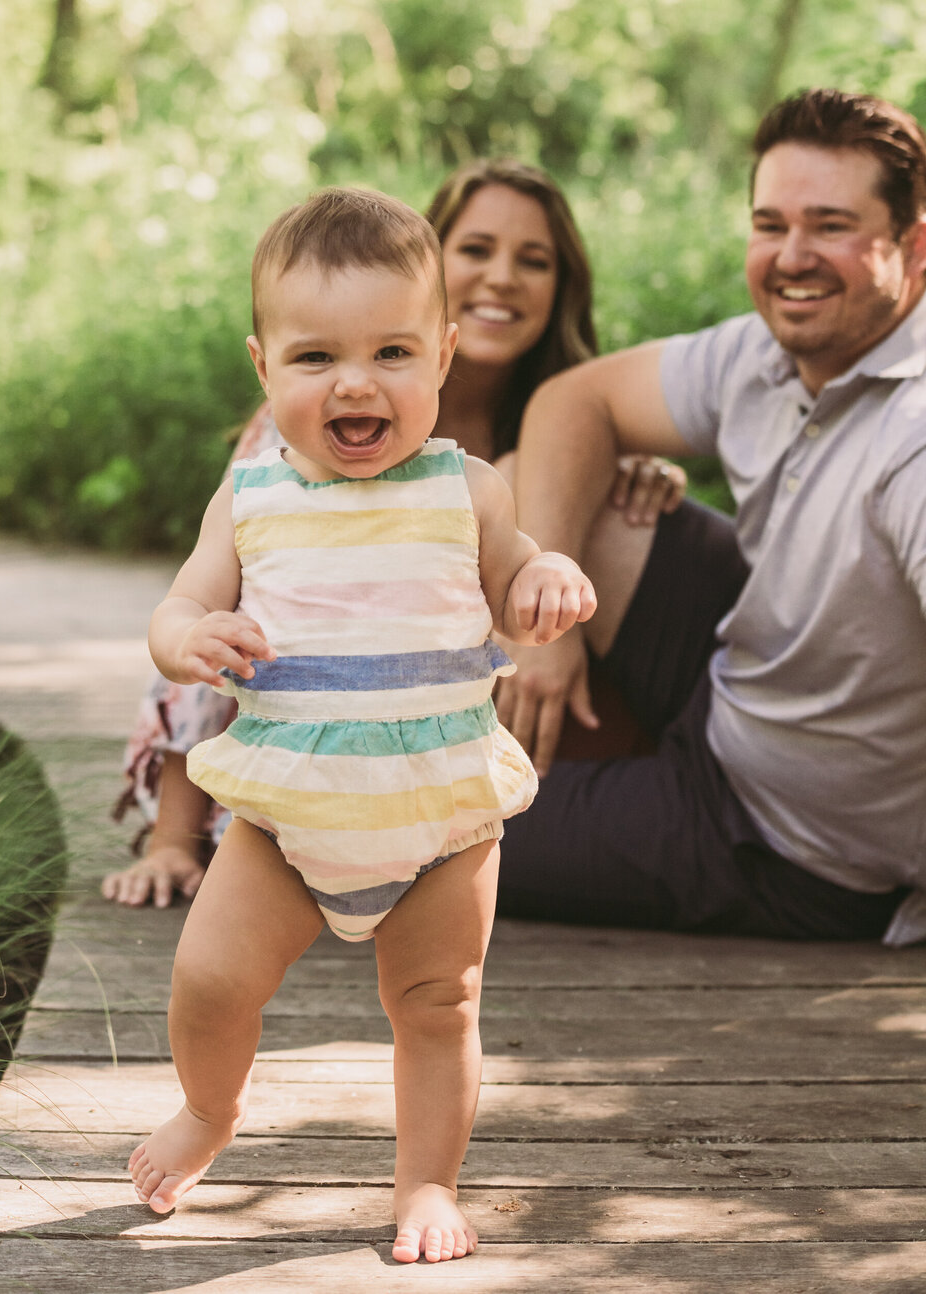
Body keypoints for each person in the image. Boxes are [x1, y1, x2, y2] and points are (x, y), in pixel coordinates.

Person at [128, 188, 595, 1261]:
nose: (355, 380)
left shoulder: (465, 488)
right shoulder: (247, 500)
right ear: (264, 367)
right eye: (314, 357)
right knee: (208, 977)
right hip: (285, 822)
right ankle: (209, 1109)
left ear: (442, 358)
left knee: (438, 1007)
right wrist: (187, 636)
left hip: (442, 820)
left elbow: (518, 574)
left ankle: (426, 1180)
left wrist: (545, 581)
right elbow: (179, 604)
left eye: (392, 350)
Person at [104, 161, 684, 908]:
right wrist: (171, 842)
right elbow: (214, 614)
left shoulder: (555, 425)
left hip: (447, 755)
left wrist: (625, 480)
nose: (503, 277)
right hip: (311, 746)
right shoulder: (295, 443)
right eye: (477, 249)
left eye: (533, 260)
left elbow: (526, 574)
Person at [499, 88, 926, 945]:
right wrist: (543, 631)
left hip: (784, 841)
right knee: (519, 482)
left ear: (914, 246)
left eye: (831, 226)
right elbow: (573, 403)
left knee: (423, 826)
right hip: (741, 680)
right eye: (771, 225)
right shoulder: (764, 350)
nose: (791, 257)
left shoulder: (914, 439)